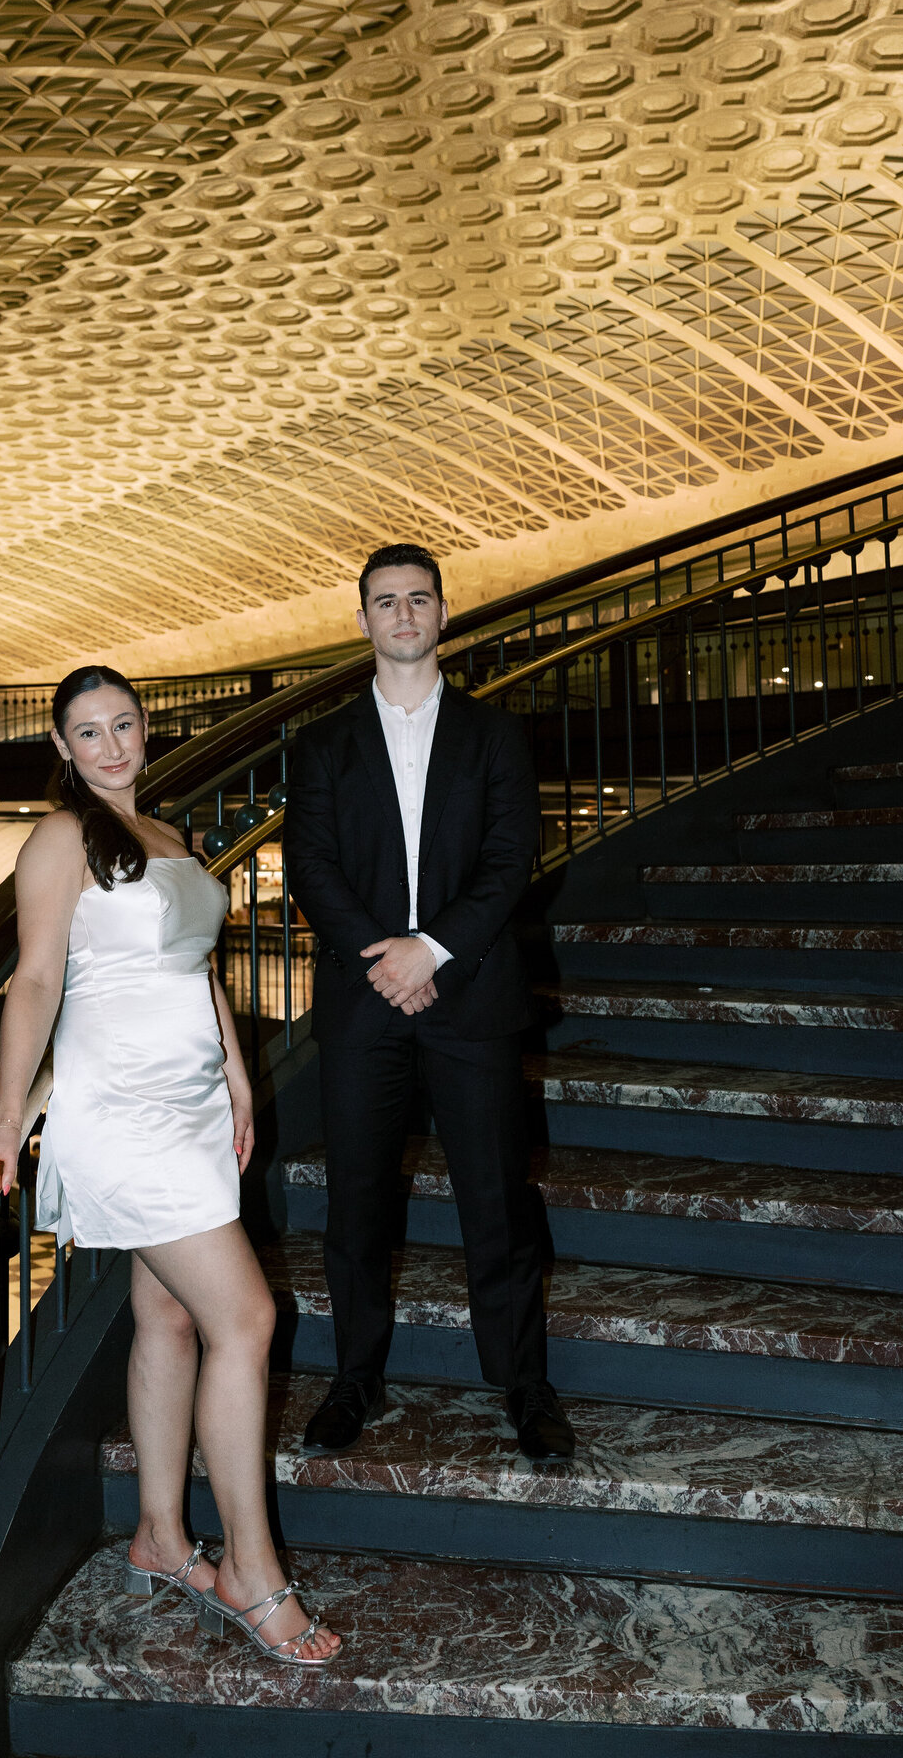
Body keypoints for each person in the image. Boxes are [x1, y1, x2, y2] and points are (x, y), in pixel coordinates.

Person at [0, 665, 339, 1668]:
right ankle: (254, 1569)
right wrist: (7, 1117)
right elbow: (36, 977)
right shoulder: (59, 839)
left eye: (124, 724)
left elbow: (197, 967)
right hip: (122, 1113)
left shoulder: (170, 835)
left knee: (170, 1314)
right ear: (63, 746)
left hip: (194, 1105)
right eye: (89, 732)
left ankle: (163, 1535)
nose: (113, 745)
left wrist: (241, 1076)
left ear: (143, 728)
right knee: (247, 1318)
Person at [283, 545, 575, 1467]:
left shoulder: (495, 737)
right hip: (365, 1002)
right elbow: (310, 866)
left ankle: (524, 1386)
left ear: (444, 615)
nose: (403, 613)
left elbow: (508, 859)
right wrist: (386, 959)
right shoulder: (324, 744)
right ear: (362, 620)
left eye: (418, 599)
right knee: (357, 1206)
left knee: (497, 1202)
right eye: (385, 602)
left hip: (471, 996)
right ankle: (355, 1378)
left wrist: (432, 950)